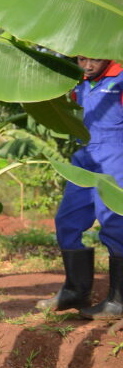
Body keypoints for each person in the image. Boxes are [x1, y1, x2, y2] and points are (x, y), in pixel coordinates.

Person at [38, 57, 123, 319]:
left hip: (115, 157)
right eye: (81, 58)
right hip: (84, 158)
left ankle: (118, 301)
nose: (86, 64)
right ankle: (76, 291)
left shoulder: (120, 78)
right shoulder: (79, 82)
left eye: (93, 59)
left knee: (115, 224)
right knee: (67, 220)